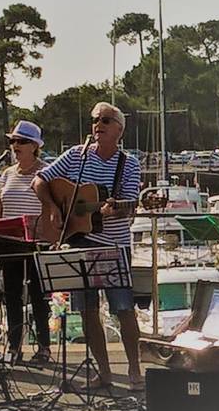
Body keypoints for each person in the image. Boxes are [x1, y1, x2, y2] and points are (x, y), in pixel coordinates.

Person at [32, 102, 144, 391]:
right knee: (88, 311)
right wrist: (54, 207)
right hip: (80, 243)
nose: (98, 125)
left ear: (119, 129)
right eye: (95, 120)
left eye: (106, 120)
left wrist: (115, 209)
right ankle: (104, 373)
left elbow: (129, 205)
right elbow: (39, 180)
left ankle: (134, 371)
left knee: (124, 309)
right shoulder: (76, 156)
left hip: (115, 246)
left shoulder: (128, 164)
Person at [0, 120, 53, 365]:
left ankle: (43, 347)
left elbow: (53, 208)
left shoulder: (47, 173)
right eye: (13, 141)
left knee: (40, 297)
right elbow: (0, 208)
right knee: (12, 296)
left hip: (37, 243)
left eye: (21, 142)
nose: (15, 146)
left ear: (34, 146)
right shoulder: (6, 174)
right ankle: (15, 346)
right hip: (9, 243)